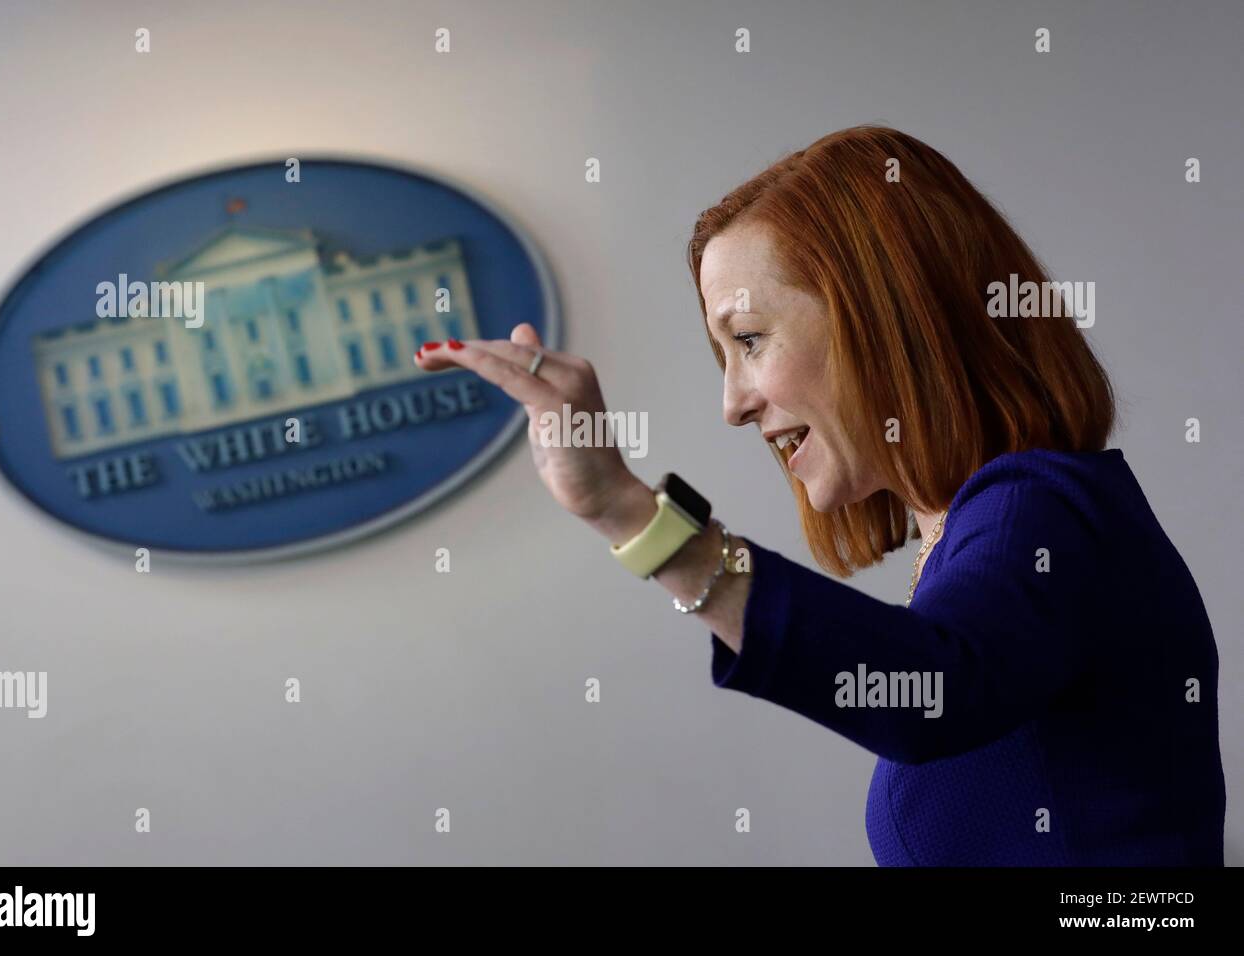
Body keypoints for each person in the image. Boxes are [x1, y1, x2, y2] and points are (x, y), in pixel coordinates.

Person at [413, 125, 1226, 866]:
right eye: (722, 356)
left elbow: (933, 691)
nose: (732, 403)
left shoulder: (1042, 509)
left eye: (750, 341)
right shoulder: (983, 531)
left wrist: (627, 510)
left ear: (888, 315)